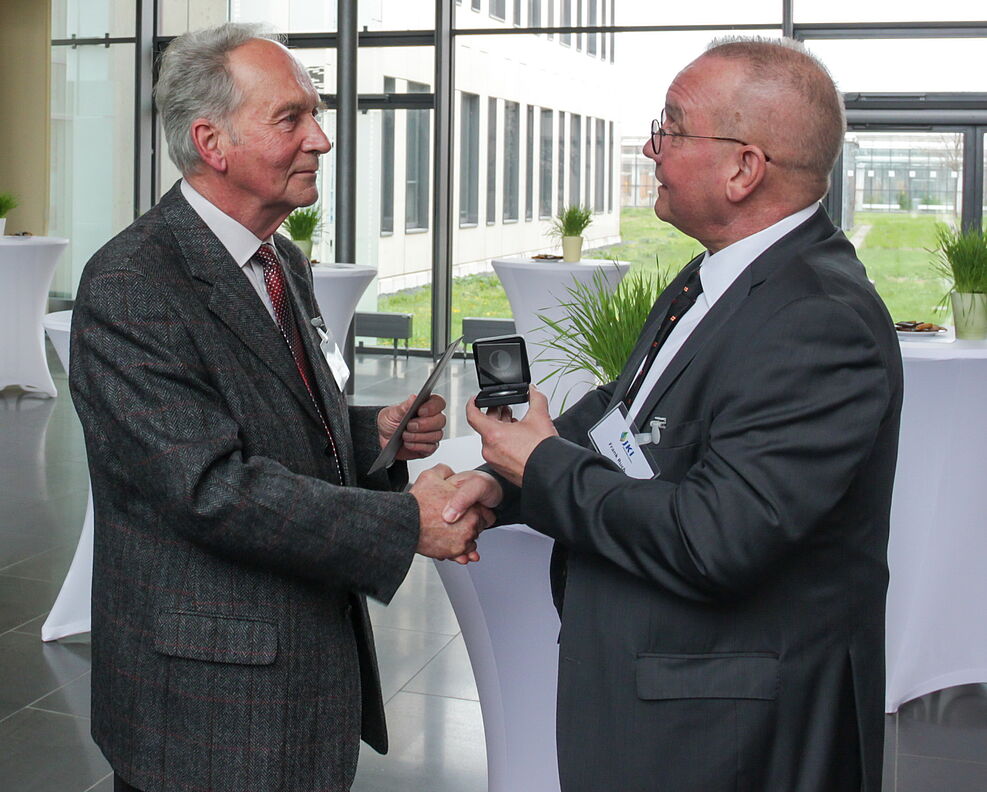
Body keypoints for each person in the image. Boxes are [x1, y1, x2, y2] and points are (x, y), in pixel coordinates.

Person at [444, 37, 903, 791]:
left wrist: (544, 465)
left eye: (671, 127)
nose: (652, 148)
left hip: (729, 731)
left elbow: (717, 537)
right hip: (673, 704)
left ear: (742, 168)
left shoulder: (816, 319)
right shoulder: (717, 274)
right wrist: (504, 482)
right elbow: (628, 417)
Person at [69, 23, 488, 792]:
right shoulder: (133, 283)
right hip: (207, 701)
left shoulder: (279, 259)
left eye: (316, 115)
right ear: (211, 141)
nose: (321, 140)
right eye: (290, 118)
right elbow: (208, 487)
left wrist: (373, 439)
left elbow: (276, 415)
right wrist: (406, 523)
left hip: (293, 671)